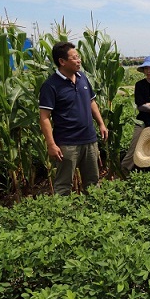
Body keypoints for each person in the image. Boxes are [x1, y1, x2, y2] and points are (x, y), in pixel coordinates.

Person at [39, 41, 108, 195]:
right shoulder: (50, 86)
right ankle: (62, 217)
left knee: (92, 183)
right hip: (67, 144)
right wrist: (51, 144)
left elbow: (91, 102)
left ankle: (94, 215)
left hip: (89, 140)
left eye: (79, 57)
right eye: (75, 58)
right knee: (63, 186)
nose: (79, 60)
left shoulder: (82, 77)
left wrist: (101, 124)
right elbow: (44, 117)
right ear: (62, 61)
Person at [121, 56, 150, 173]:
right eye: (146, 68)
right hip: (142, 122)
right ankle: (124, 171)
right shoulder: (140, 85)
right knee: (134, 148)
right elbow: (140, 106)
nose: (148, 71)